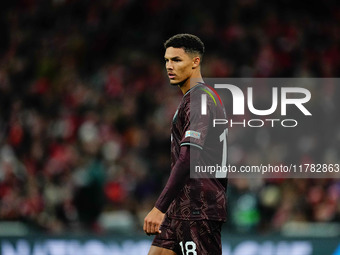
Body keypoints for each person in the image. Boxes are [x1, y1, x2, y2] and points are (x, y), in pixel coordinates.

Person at [144, 34, 228, 255]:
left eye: (177, 60)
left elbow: (189, 157)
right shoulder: (195, 98)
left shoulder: (200, 99)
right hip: (181, 206)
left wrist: (159, 206)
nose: (169, 66)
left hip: (197, 208)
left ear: (195, 62)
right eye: (167, 60)